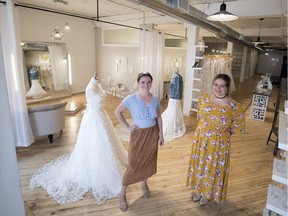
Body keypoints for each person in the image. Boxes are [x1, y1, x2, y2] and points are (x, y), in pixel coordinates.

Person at [29, 75, 128, 204]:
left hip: (102, 118)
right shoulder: (90, 89)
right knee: (95, 144)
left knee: (107, 142)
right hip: (94, 120)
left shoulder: (97, 85)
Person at [186, 73, 245, 206]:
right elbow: (199, 116)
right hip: (201, 140)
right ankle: (199, 189)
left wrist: (219, 133)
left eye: (222, 86)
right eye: (216, 85)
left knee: (212, 167)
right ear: (212, 85)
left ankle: (208, 193)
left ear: (227, 88)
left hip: (218, 143)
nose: (218, 88)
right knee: (200, 165)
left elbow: (236, 126)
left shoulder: (234, 106)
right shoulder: (204, 98)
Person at [114, 72, 164, 212]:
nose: (146, 85)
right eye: (143, 82)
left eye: (148, 82)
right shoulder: (131, 98)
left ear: (151, 83)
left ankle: (144, 184)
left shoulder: (155, 99)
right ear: (138, 83)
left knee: (148, 161)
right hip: (138, 135)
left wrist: (161, 135)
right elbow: (118, 112)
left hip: (152, 133)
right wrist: (128, 126)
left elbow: (159, 117)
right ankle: (122, 194)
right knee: (133, 163)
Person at [161, 70, 186, 141]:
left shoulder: (174, 76)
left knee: (173, 110)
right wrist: (178, 96)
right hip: (176, 97)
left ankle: (175, 124)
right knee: (174, 111)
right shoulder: (177, 77)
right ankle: (174, 126)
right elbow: (177, 89)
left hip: (173, 97)